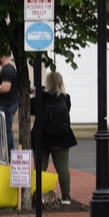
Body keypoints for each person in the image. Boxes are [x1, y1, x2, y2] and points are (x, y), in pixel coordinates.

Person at [33, 71, 78, 204]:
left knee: (40, 167)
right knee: (63, 166)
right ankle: (66, 197)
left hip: (42, 137)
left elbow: (31, 110)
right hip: (62, 137)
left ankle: (39, 195)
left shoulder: (41, 97)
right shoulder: (66, 98)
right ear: (60, 82)